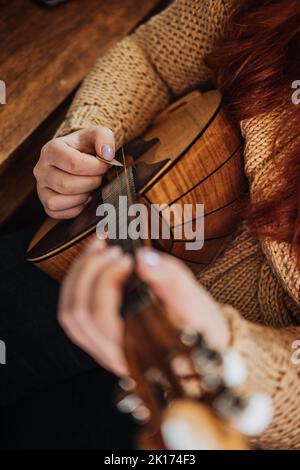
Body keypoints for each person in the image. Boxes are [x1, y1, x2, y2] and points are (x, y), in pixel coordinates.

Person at [1, 0, 300, 449]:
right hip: (101, 237)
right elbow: (153, 57)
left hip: (220, 387)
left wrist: (229, 350)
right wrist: (88, 130)